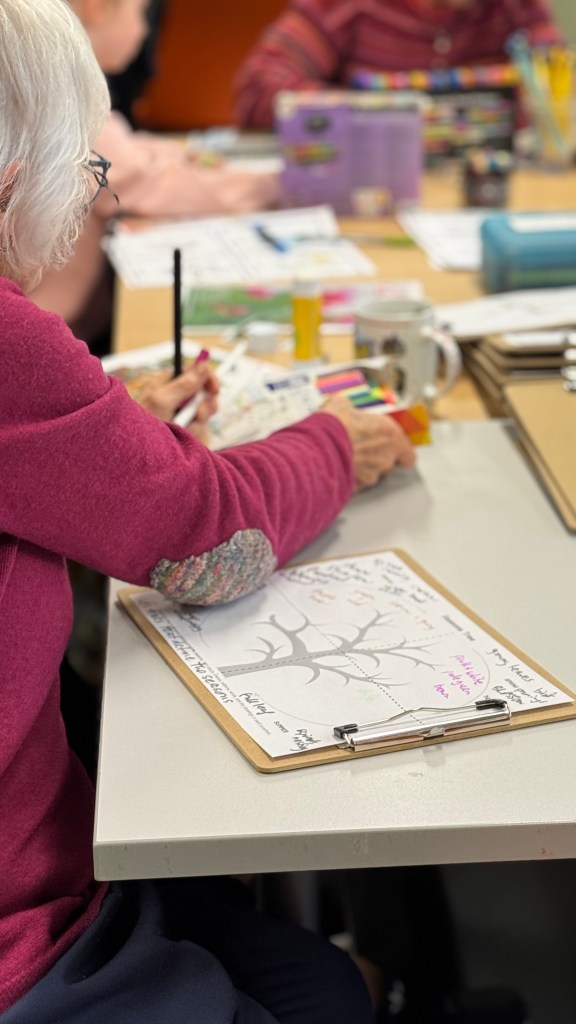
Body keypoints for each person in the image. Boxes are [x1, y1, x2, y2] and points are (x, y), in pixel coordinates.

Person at [0, 1, 415, 1020]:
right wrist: (335, 442)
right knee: (322, 996)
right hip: (25, 917)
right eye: (83, 172)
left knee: (316, 975)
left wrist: (95, 430)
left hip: (46, 843)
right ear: (14, 174)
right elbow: (206, 539)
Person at [29, 0, 281, 349]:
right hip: (41, 344)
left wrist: (176, 153)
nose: (146, 31)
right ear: (98, 8)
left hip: (54, 331)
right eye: (142, 14)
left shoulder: (59, 93)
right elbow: (145, 181)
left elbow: (127, 149)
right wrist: (272, 185)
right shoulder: (69, 108)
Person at [234, 0, 560, 130]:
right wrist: (376, 114)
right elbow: (258, 87)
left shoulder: (516, 8)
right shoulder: (348, 7)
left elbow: (558, 84)